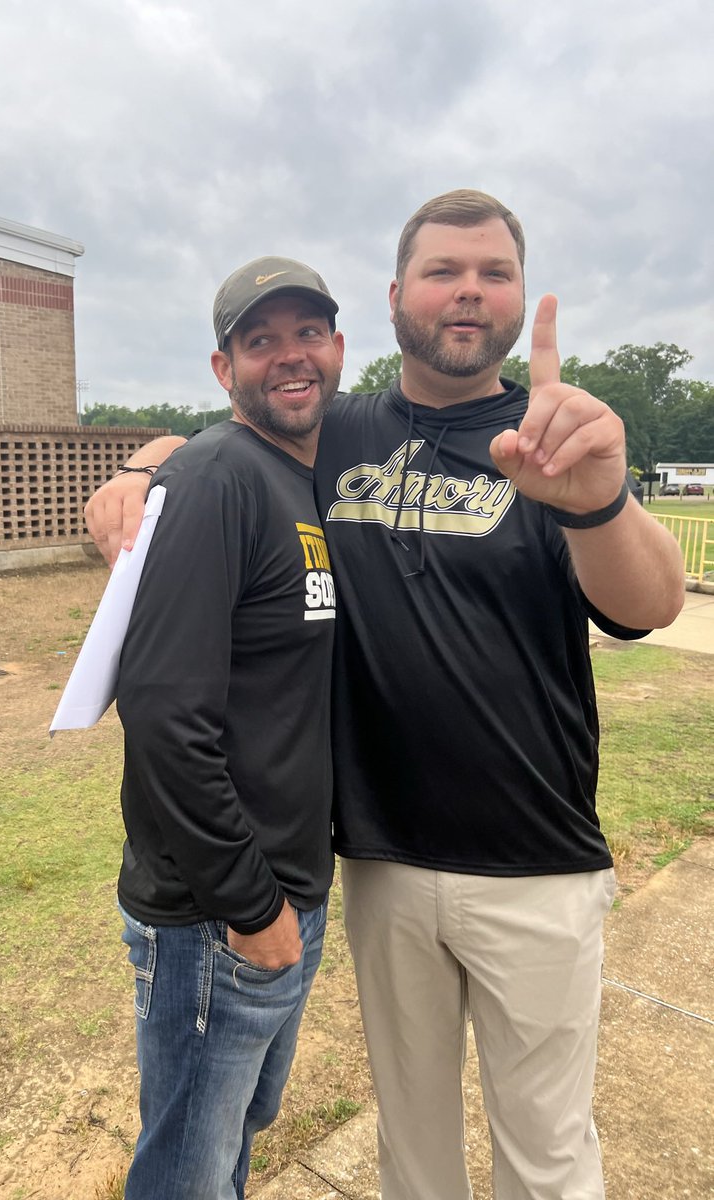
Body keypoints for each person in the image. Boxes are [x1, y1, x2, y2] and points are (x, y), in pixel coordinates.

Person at [87, 192, 685, 1200]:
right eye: (444, 270)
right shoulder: (341, 431)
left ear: (519, 298)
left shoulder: (551, 438)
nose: (468, 290)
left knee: (547, 1157)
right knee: (413, 1154)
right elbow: (239, 424)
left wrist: (602, 500)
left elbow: (655, 602)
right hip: (382, 865)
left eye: (494, 272)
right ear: (397, 296)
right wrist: (148, 462)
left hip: (532, 865)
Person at [113, 256, 344, 1200]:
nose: (289, 357)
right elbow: (166, 714)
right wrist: (251, 910)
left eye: (306, 334)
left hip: (287, 895)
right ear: (224, 368)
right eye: (261, 341)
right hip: (219, 918)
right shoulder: (216, 479)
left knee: (232, 1146)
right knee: (186, 1175)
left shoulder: (302, 481)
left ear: (336, 347)